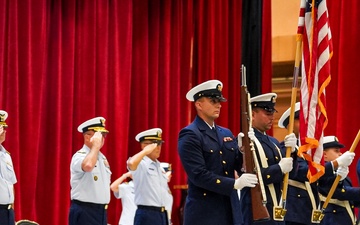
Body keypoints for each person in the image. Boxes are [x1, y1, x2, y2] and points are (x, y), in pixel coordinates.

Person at [178, 80, 258, 225]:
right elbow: (198, 175)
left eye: (219, 101)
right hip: (205, 212)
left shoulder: (225, 133)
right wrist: (234, 184)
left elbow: (237, 166)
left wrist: (243, 151)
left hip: (230, 208)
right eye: (213, 101)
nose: (219, 105)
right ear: (199, 104)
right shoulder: (190, 134)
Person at [240, 93, 297, 225]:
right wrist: (279, 168)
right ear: (253, 114)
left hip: (277, 207)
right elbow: (253, 176)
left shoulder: (273, 142)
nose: (272, 117)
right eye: (267, 113)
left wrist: (292, 153)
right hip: (257, 208)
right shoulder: (246, 140)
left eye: (272, 113)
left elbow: (290, 176)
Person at [69, 116, 111, 225]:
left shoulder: (102, 158)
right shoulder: (80, 155)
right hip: (85, 211)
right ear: (87, 137)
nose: (103, 138)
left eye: (104, 135)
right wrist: (95, 146)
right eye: (100, 135)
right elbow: (88, 165)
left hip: (101, 212)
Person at [127, 128, 171, 225]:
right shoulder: (141, 164)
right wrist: (144, 152)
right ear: (144, 146)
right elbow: (131, 163)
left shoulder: (160, 167)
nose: (159, 147)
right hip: (147, 214)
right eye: (155, 144)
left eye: (160, 144)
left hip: (162, 213)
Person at [318, 136, 358, 225]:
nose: (340, 154)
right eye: (336, 151)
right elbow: (338, 192)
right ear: (324, 155)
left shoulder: (343, 174)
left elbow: (350, 200)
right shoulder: (320, 174)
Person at [0, 110, 16, 225]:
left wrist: (12, 210)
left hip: (7, 211)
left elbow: (11, 184)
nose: (3, 131)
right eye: (1, 128)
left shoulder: (6, 156)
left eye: (4, 128)